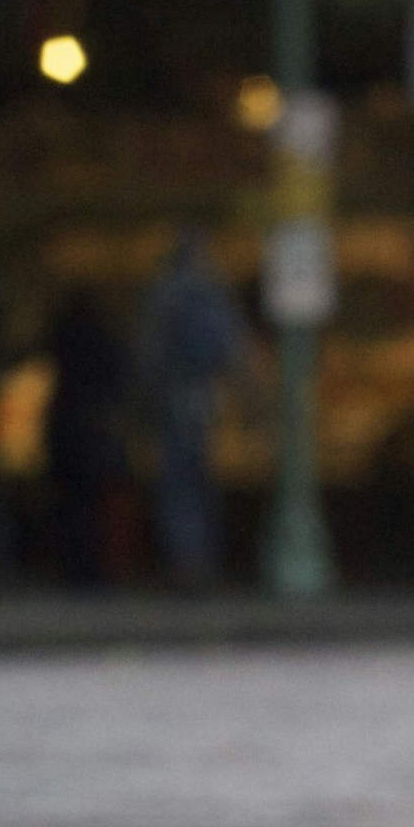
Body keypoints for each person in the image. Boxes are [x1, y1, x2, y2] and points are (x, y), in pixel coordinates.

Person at [133, 232, 246, 588]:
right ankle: (202, 560)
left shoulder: (165, 294)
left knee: (178, 483)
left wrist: (143, 403)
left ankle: (187, 561)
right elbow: (232, 350)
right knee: (198, 480)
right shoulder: (211, 294)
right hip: (204, 398)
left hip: (173, 397)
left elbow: (148, 354)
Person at [36, 280, 128, 587]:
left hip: (68, 425)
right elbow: (116, 377)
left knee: (70, 502)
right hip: (88, 427)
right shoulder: (102, 339)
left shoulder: (64, 334)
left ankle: (74, 566)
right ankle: (85, 568)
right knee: (86, 503)